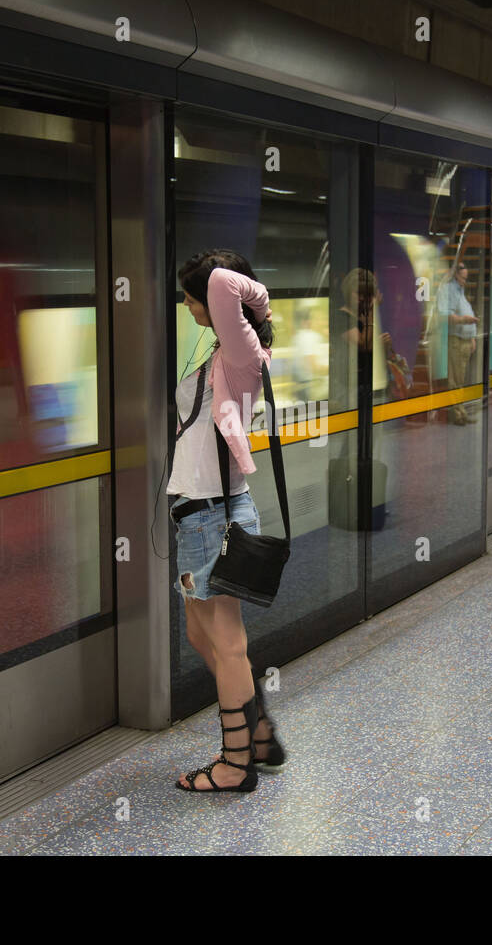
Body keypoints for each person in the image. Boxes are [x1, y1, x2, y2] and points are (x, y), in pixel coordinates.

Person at [170, 249, 284, 793]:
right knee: (201, 632)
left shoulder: (241, 355)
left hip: (213, 516)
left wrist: (229, 288)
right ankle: (257, 730)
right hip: (197, 513)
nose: (188, 303)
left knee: (226, 639)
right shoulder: (222, 352)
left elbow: (220, 282)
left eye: (189, 296)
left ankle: (236, 763)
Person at [437, 260, 480, 424]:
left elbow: (466, 311)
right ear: (456, 274)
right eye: (463, 279)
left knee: (460, 380)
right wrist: (463, 320)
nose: (465, 282)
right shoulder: (448, 290)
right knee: (455, 380)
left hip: (465, 340)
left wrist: (472, 337)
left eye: (466, 279)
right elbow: (444, 315)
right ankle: (457, 414)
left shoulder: (460, 290)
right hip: (456, 340)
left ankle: (461, 411)